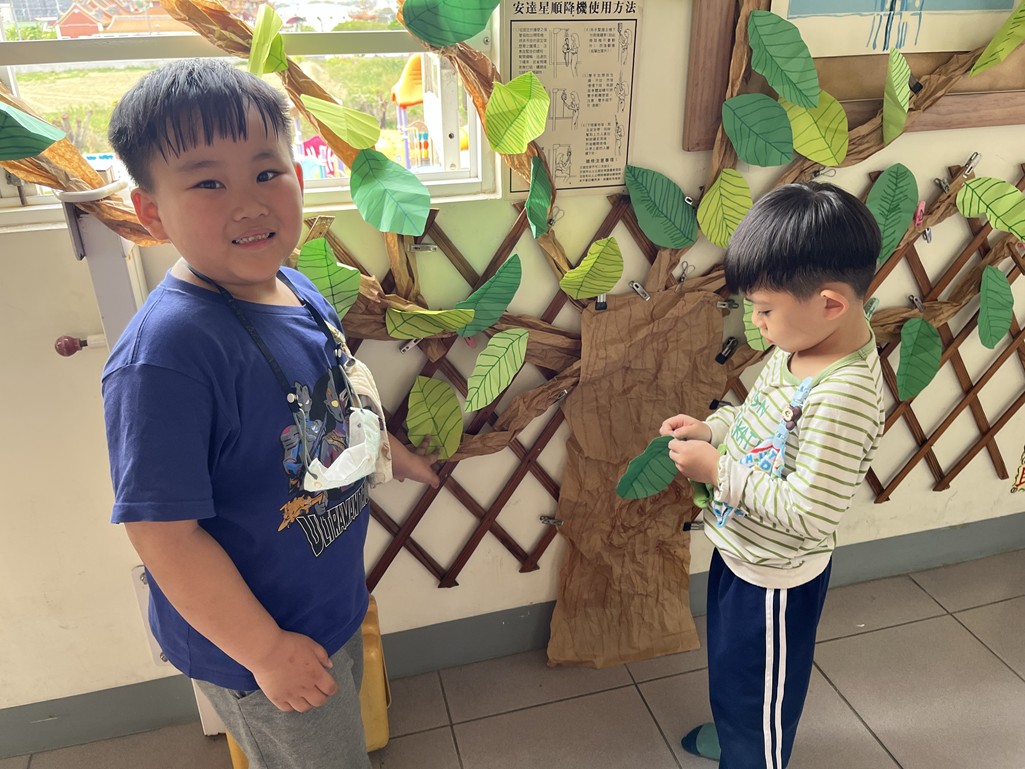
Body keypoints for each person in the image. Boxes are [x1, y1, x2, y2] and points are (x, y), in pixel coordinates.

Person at [102, 59, 439, 769]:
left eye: (265, 172)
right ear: (151, 212)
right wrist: (265, 651)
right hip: (256, 644)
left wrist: (388, 453)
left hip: (325, 603)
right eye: (208, 183)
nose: (248, 204)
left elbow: (334, 394)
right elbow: (163, 535)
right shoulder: (166, 357)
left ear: (298, 174)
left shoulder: (292, 283)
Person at [660, 182, 885, 769]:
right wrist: (714, 430)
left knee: (761, 692)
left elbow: (810, 513)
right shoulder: (799, 347)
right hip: (744, 553)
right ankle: (738, 732)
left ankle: (753, 751)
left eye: (764, 309)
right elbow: (758, 421)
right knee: (735, 672)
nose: (755, 322)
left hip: (776, 579)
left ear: (830, 304)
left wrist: (718, 471)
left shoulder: (844, 395)